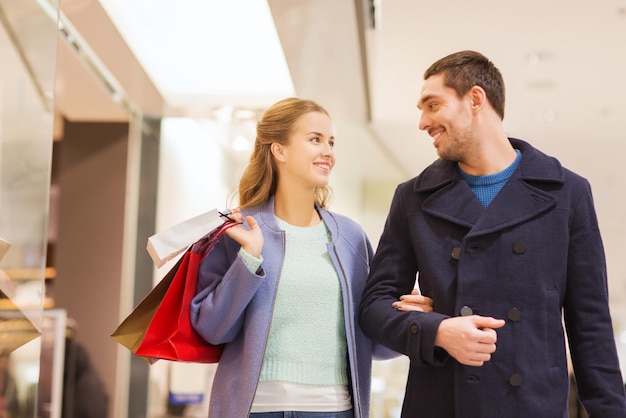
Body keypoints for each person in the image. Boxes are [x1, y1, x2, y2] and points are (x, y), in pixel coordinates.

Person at [359, 50, 626, 417]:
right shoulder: (414, 197)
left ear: (475, 100)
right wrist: (437, 330)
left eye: (433, 105)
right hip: (442, 403)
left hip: (532, 406)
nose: (422, 121)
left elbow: (590, 326)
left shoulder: (566, 193)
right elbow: (374, 307)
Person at [190, 97, 432, 418]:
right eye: (315, 139)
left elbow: (373, 343)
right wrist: (249, 258)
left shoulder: (351, 238)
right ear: (280, 150)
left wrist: (406, 319)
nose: (328, 152)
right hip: (257, 410)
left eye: (331, 142)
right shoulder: (238, 230)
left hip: (334, 410)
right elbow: (213, 329)